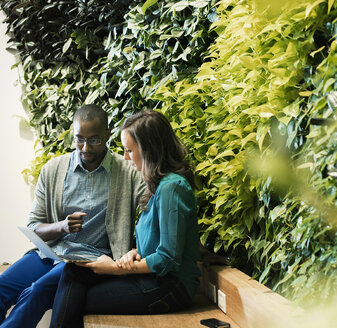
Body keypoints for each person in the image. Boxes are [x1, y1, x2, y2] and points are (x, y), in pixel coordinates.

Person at [49, 110, 201, 328]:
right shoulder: (158, 187)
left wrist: (115, 268)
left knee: (75, 299)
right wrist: (134, 253)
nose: (126, 157)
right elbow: (157, 241)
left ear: (150, 149)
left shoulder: (172, 188)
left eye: (130, 150)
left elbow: (168, 258)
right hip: (153, 278)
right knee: (74, 272)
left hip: (171, 287)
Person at [0, 104, 145, 328]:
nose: (85, 147)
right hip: (48, 254)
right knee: (2, 287)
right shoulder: (53, 169)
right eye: (79, 139)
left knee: (36, 292)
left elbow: (151, 210)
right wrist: (62, 226)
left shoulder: (127, 172)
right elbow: (34, 225)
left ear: (107, 135)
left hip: (86, 262)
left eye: (94, 139)